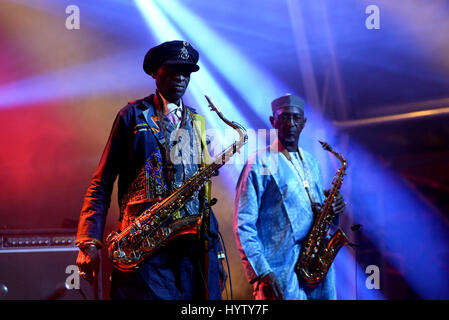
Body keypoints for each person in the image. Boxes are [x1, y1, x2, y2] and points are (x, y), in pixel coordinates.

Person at [75, 40, 226, 300]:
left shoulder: (197, 123)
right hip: (143, 253)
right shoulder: (131, 116)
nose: (180, 77)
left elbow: (202, 193)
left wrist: (217, 256)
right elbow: (101, 182)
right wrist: (89, 241)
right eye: (173, 69)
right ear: (155, 72)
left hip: (188, 257)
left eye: (186, 72)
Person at [233, 94, 345, 300]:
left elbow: (319, 214)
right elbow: (243, 225)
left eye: (296, 118)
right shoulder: (259, 162)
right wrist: (262, 272)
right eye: (284, 117)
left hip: (316, 270)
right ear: (272, 121)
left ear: (304, 123)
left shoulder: (312, 162)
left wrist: (333, 210)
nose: (290, 123)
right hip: (278, 271)